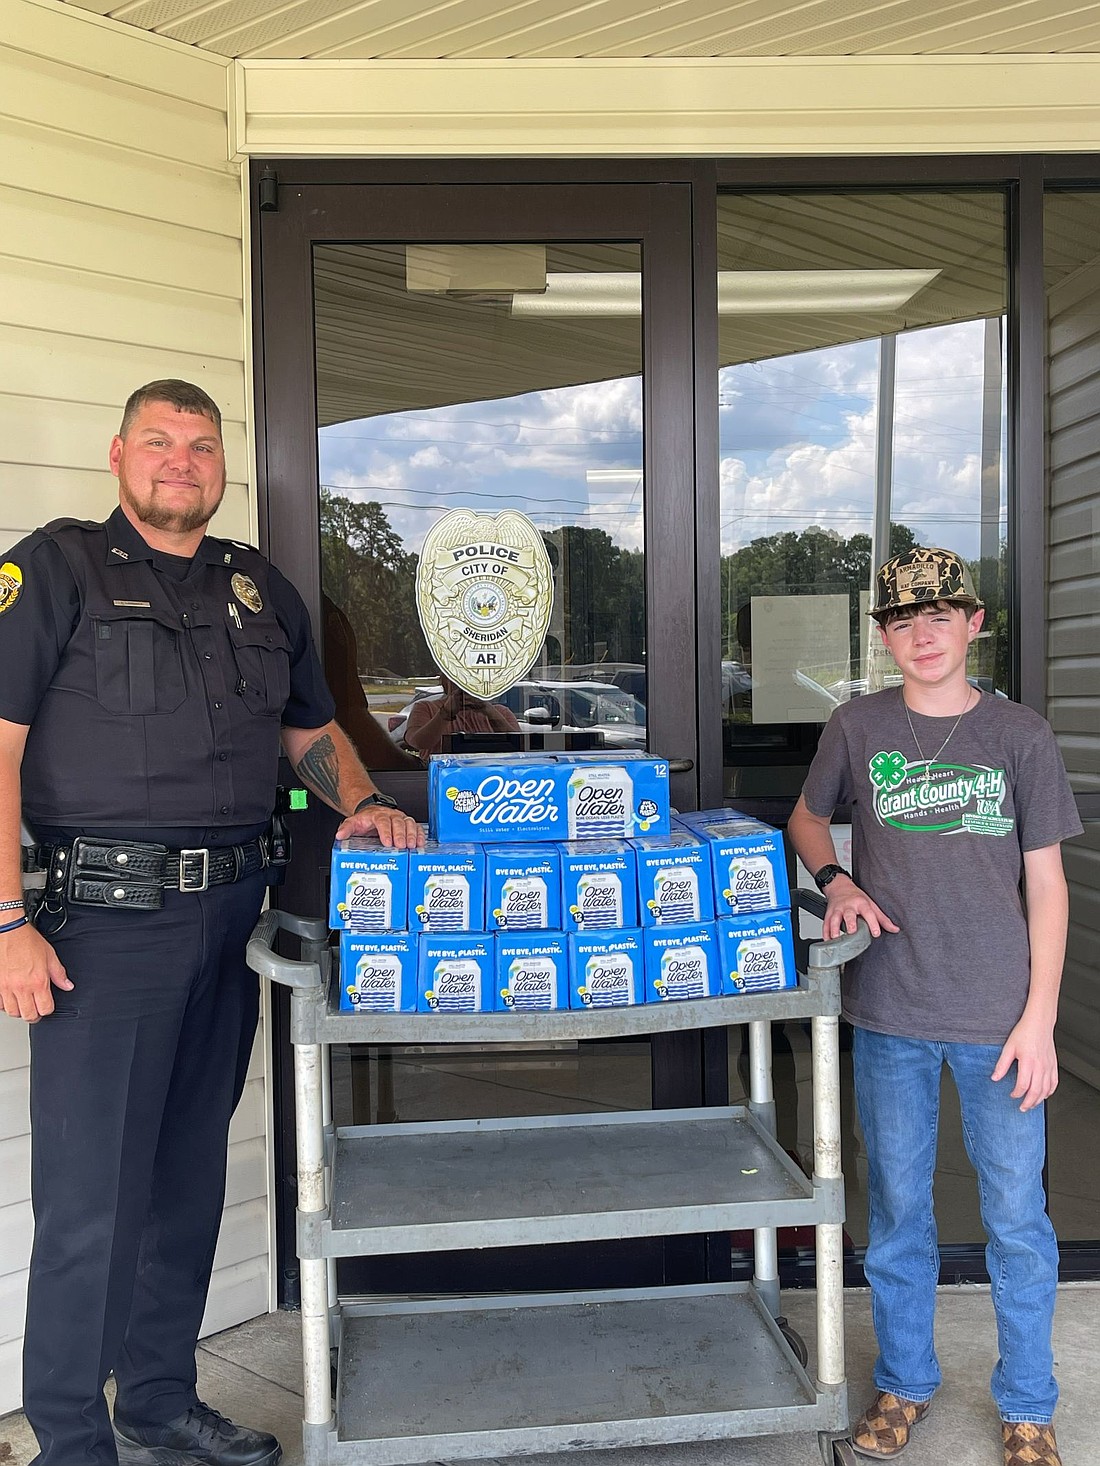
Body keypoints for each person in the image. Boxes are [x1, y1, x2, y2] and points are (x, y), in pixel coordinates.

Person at [0, 380, 422, 1466]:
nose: (180, 461)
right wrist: (5, 920)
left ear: (221, 463)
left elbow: (309, 729)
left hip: (232, 918)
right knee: (91, 1200)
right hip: (104, 928)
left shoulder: (255, 586)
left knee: (187, 1180)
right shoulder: (54, 570)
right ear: (119, 456)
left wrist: (362, 800)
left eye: (199, 444)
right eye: (159, 441)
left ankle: (156, 1399)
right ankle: (69, 1439)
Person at [787, 547, 1082, 1466]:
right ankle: (905, 1383)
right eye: (904, 620)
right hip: (891, 1010)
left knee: (1018, 1224)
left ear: (973, 625)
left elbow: (1049, 885)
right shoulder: (856, 725)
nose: (923, 634)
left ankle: (1028, 1406)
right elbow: (805, 818)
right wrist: (836, 881)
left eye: (940, 616)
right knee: (898, 1216)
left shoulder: (1020, 736)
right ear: (885, 637)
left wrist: (1041, 1020)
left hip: (1001, 1020)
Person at [402, 673, 520, 757]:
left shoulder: (501, 712)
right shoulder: (426, 708)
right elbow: (417, 742)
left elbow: (519, 746)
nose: (465, 688)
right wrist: (445, 713)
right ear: (445, 681)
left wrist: (489, 711)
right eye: (458, 681)